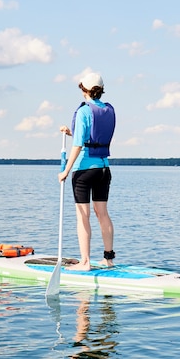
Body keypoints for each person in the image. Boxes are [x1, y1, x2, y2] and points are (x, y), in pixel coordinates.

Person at [58, 72, 116, 271]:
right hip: (103, 170)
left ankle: (85, 262)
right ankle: (108, 259)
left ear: (84, 90)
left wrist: (65, 171)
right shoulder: (108, 109)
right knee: (102, 214)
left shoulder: (84, 111)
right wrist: (71, 132)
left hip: (83, 171)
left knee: (82, 216)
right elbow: (92, 136)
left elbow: (79, 146)